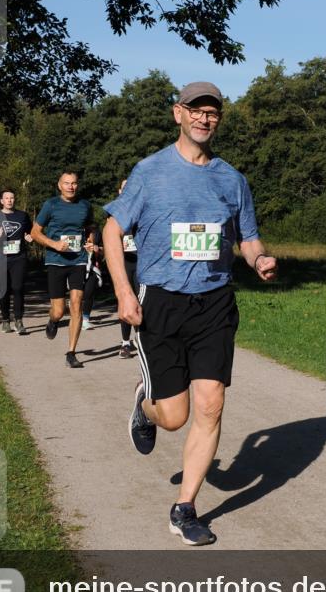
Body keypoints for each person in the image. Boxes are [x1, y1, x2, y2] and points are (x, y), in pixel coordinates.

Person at [104, 81, 277, 546]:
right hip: (161, 302)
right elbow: (111, 229)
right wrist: (124, 292)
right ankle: (146, 405)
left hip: (215, 303)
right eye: (196, 110)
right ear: (177, 114)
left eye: (213, 113)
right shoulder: (150, 171)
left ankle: (185, 508)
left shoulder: (231, 179)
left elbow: (248, 237)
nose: (204, 118)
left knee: (211, 405)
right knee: (175, 417)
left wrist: (259, 259)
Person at [31, 171, 95, 369]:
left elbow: (91, 227)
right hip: (56, 261)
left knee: (76, 304)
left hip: (78, 260)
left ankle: (71, 353)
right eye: (66, 183)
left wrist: (91, 241)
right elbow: (35, 232)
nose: (71, 187)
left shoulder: (85, 205)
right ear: (59, 185)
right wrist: (54, 244)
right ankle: (52, 321)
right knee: (59, 310)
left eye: (74, 183)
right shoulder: (51, 205)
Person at [0, 190, 33, 335]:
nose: (9, 200)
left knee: (18, 287)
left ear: (15, 200)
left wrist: (30, 237)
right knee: (4, 290)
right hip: (0, 258)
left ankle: (19, 321)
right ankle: (5, 320)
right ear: (1, 201)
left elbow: (31, 232)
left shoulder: (23, 216)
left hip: (18, 258)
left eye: (12, 198)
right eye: (6, 198)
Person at [116, 179, 139, 358]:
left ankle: (141, 339)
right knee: (125, 300)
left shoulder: (142, 208)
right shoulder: (115, 211)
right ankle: (125, 343)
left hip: (141, 262)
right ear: (119, 191)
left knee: (143, 301)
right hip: (124, 263)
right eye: (124, 187)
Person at [82, 225, 104, 330]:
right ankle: (76, 316)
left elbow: (104, 249)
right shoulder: (76, 230)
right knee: (77, 294)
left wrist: (97, 249)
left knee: (89, 293)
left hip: (93, 268)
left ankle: (85, 319)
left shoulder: (97, 232)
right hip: (78, 266)